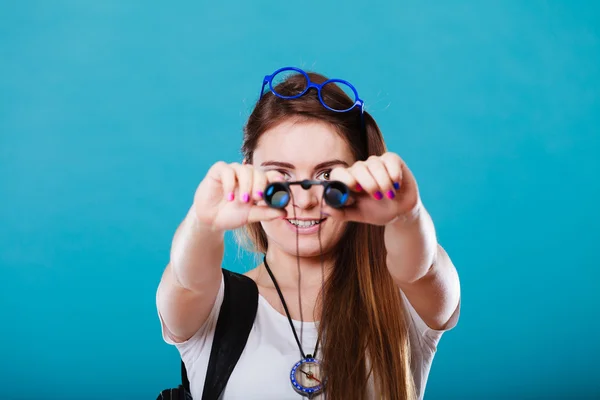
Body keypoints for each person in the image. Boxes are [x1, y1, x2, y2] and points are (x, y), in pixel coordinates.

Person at [156, 67, 461, 400]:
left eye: (328, 174)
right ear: (249, 174)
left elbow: (424, 268)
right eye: (280, 175)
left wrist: (407, 215)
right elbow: (187, 279)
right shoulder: (215, 304)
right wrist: (204, 221)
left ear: (361, 175)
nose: (304, 199)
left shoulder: (401, 300)